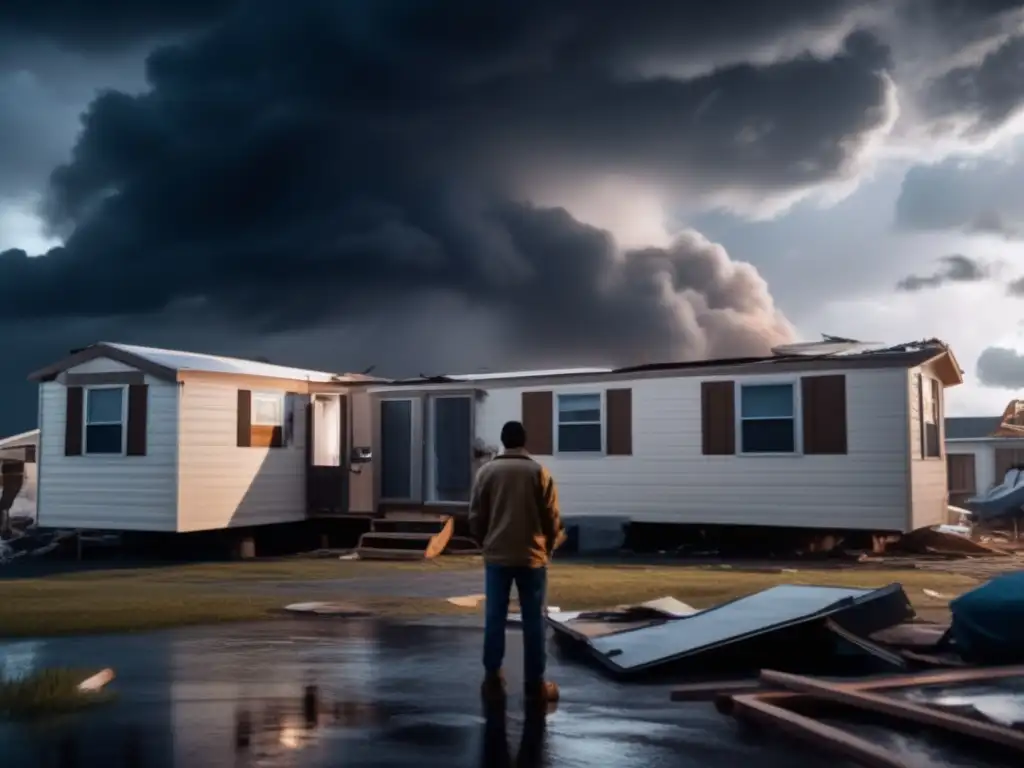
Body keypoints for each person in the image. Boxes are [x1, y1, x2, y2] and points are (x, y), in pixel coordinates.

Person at [469, 420, 564, 703]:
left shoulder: (486, 472)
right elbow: (551, 516)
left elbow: (475, 516)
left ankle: (492, 677)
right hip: (531, 557)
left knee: (494, 617)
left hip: (497, 555)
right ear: (524, 441)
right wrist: (548, 546)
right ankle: (535, 683)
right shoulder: (538, 473)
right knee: (534, 620)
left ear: (502, 441)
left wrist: (484, 542)